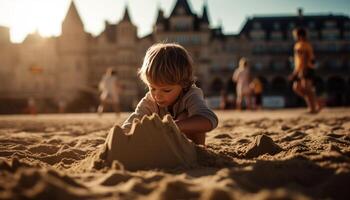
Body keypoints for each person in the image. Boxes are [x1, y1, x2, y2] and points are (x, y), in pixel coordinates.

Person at [122, 43, 218, 145]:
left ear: (183, 84)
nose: (157, 95)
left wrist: (172, 125)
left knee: (185, 116)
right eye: (152, 88)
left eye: (166, 90)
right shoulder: (150, 101)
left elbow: (209, 119)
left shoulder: (191, 95)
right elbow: (131, 123)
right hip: (164, 146)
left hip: (189, 148)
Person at [289, 27, 321, 114]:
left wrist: (302, 70)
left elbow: (305, 58)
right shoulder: (298, 45)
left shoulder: (304, 45)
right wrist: (296, 71)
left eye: (295, 35)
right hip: (301, 69)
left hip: (306, 68)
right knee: (297, 88)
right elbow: (299, 60)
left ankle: (313, 108)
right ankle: (316, 102)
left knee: (307, 88)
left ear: (299, 35)